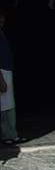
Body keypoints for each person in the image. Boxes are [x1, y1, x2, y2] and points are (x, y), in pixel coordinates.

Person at [0, 10, 26, 146]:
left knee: (9, 105)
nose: (2, 23)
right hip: (1, 72)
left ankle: (12, 134)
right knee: (5, 106)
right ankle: (7, 135)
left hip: (6, 71)